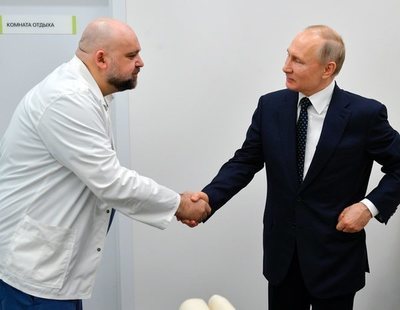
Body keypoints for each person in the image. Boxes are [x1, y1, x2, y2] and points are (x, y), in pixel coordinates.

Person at [0, 17, 210, 309]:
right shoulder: (67, 98)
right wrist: (179, 204)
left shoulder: (86, 95)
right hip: (34, 278)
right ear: (101, 58)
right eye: (132, 55)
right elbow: (111, 182)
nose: (141, 63)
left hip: (52, 272)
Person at [191, 25, 400, 309]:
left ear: (328, 69)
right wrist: (208, 198)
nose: (285, 67)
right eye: (288, 56)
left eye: (297, 60)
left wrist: (368, 207)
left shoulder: (365, 114)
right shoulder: (270, 106)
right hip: (282, 260)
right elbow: (245, 161)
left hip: (335, 260)